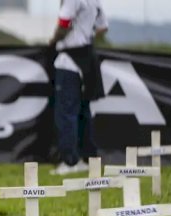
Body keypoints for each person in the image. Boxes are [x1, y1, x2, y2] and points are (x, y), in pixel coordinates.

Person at [49, 0, 109, 175]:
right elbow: (103, 27)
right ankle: (87, 158)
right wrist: (85, 35)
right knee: (83, 111)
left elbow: (64, 23)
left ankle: (70, 161)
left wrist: (53, 41)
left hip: (69, 60)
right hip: (87, 57)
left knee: (66, 112)